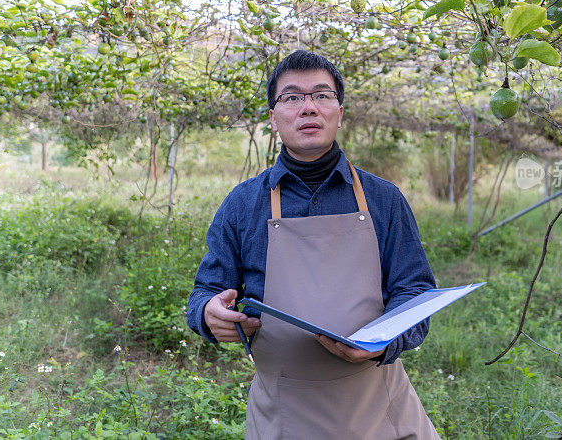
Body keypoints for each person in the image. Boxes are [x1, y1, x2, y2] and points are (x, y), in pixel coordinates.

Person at [188, 50, 441, 439]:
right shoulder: (243, 204)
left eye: (321, 95)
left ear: (340, 112)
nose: (308, 107)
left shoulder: (384, 199)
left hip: (379, 407)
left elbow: (416, 292)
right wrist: (209, 313)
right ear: (273, 119)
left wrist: (383, 342)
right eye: (292, 97)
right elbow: (205, 292)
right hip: (283, 413)